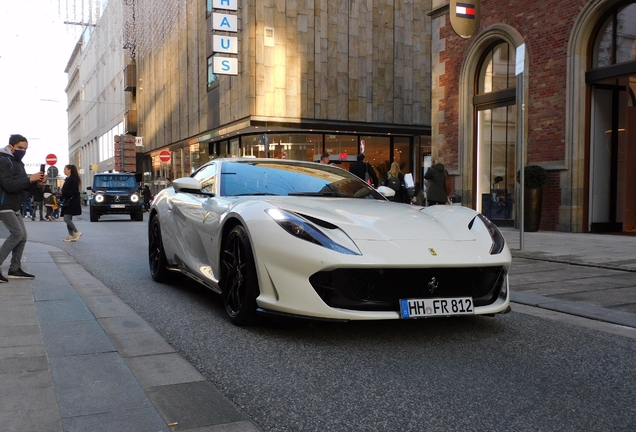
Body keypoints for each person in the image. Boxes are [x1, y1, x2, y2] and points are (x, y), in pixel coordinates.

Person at [0, 134, 47, 282]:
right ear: (10, 147)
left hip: (15, 204)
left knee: (22, 236)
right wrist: (29, 179)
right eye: (20, 148)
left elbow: (23, 186)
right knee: (17, 233)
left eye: (25, 149)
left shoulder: (19, 163)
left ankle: (15, 269)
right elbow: (8, 185)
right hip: (3, 203)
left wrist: (37, 183)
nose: (23, 151)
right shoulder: (2, 160)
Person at [61, 164, 82, 242]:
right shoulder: (68, 179)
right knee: (68, 219)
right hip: (68, 201)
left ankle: (76, 232)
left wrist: (63, 193)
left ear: (69, 170)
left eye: (65, 169)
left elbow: (74, 191)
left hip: (72, 202)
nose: (64, 170)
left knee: (66, 218)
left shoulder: (73, 179)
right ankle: (71, 236)